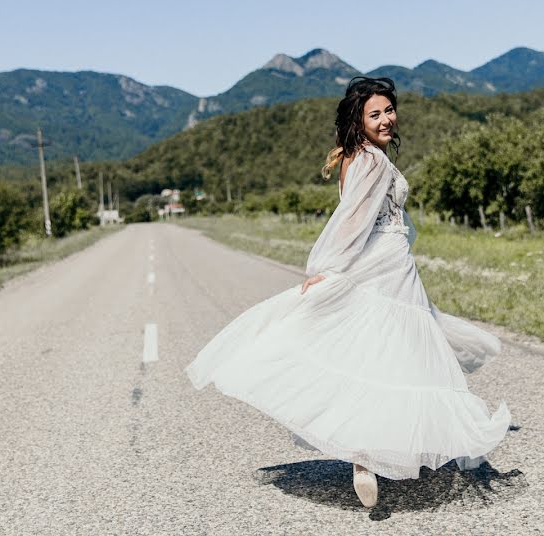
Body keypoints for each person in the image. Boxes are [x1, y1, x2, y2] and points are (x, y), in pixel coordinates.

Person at [186, 76, 511, 509]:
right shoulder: (372, 161)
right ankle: (418, 448)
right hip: (388, 268)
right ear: (359, 121)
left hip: (385, 262)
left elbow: (370, 217)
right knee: (410, 355)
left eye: (389, 110)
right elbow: (351, 222)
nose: (386, 119)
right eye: (374, 114)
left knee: (376, 356)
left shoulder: (357, 157)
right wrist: (327, 269)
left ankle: (367, 454)